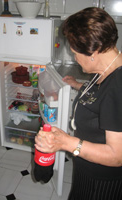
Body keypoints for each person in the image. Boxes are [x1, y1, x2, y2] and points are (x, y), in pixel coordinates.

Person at [35, 7, 122, 200]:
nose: (74, 58)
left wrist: (67, 142)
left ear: (93, 51)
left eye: (75, 52)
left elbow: (117, 156)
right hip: (87, 167)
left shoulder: (118, 87)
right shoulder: (109, 68)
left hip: (102, 181)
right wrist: (77, 85)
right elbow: (100, 94)